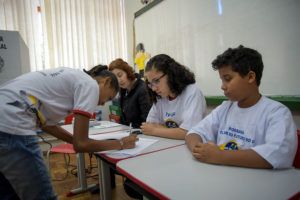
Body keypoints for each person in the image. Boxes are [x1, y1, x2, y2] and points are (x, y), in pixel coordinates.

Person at [0, 65, 138, 200]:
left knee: (9, 193)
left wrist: (81, 141)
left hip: (5, 114)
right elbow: (81, 144)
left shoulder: (74, 77)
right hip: (12, 121)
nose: (102, 104)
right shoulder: (90, 84)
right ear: (106, 81)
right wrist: (120, 143)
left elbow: (47, 125)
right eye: (108, 98)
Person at [185, 45, 298, 169]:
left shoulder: (276, 112)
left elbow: (279, 154)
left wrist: (221, 156)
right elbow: (195, 132)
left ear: (250, 77)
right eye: (222, 80)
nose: (222, 86)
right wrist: (200, 149)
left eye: (227, 79)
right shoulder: (225, 107)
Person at [141, 54, 207, 139]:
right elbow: (148, 126)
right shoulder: (161, 96)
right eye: (150, 84)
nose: (153, 88)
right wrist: (174, 131)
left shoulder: (192, 92)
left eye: (156, 81)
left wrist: (155, 130)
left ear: (171, 74)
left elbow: (188, 133)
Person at [109, 58, 151, 128]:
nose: (119, 81)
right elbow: (122, 118)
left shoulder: (142, 89)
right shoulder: (123, 90)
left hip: (140, 132)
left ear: (127, 72)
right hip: (128, 130)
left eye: (120, 75)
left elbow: (147, 120)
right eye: (115, 79)